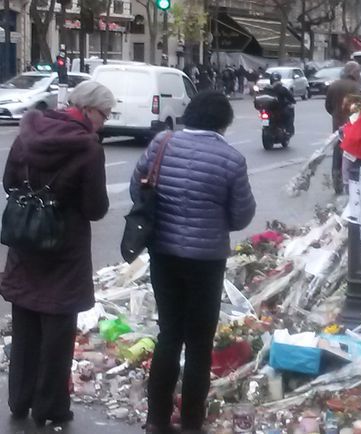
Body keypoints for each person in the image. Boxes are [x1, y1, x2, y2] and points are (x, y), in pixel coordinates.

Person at [132, 91, 256, 434]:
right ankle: (191, 423)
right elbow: (241, 215)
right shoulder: (231, 159)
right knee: (200, 343)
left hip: (163, 252)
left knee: (169, 333)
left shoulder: (161, 143)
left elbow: (137, 188)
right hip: (206, 260)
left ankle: (156, 420)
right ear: (224, 122)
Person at [0, 81, 115, 428]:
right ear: (89, 110)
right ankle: (49, 406)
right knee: (57, 332)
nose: (105, 122)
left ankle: (19, 399)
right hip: (64, 249)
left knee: (25, 324)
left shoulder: (28, 134)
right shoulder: (88, 149)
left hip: (26, 242)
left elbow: (8, 183)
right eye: (105, 114)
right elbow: (95, 208)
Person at [325, 61, 361, 194]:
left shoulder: (334, 85)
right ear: (353, 72)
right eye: (358, 72)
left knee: (337, 153)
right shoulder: (357, 87)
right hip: (353, 125)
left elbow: (328, 106)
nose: (359, 74)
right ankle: (350, 182)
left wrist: (336, 115)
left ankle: (337, 181)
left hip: (337, 124)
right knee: (351, 155)